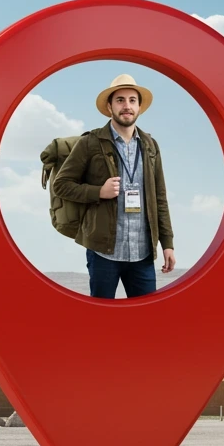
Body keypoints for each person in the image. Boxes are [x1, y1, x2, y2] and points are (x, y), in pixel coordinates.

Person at [51, 74, 175, 299]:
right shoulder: (90, 142)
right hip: (103, 253)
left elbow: (160, 197)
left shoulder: (150, 146)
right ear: (109, 107)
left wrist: (167, 243)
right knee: (100, 318)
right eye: (120, 100)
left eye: (132, 100)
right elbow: (61, 185)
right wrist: (98, 192)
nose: (126, 106)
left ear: (139, 107)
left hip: (143, 253)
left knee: (146, 317)